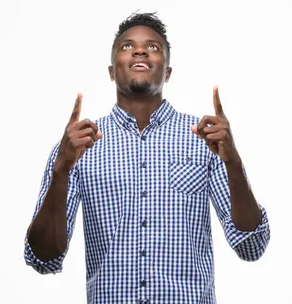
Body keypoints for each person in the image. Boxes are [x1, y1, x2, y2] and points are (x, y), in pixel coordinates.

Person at [23, 12, 270, 304]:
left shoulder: (207, 140)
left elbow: (251, 246)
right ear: (111, 71)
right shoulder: (77, 146)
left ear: (167, 72)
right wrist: (60, 171)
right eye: (127, 46)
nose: (140, 50)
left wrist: (233, 162)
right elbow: (43, 257)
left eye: (152, 47)